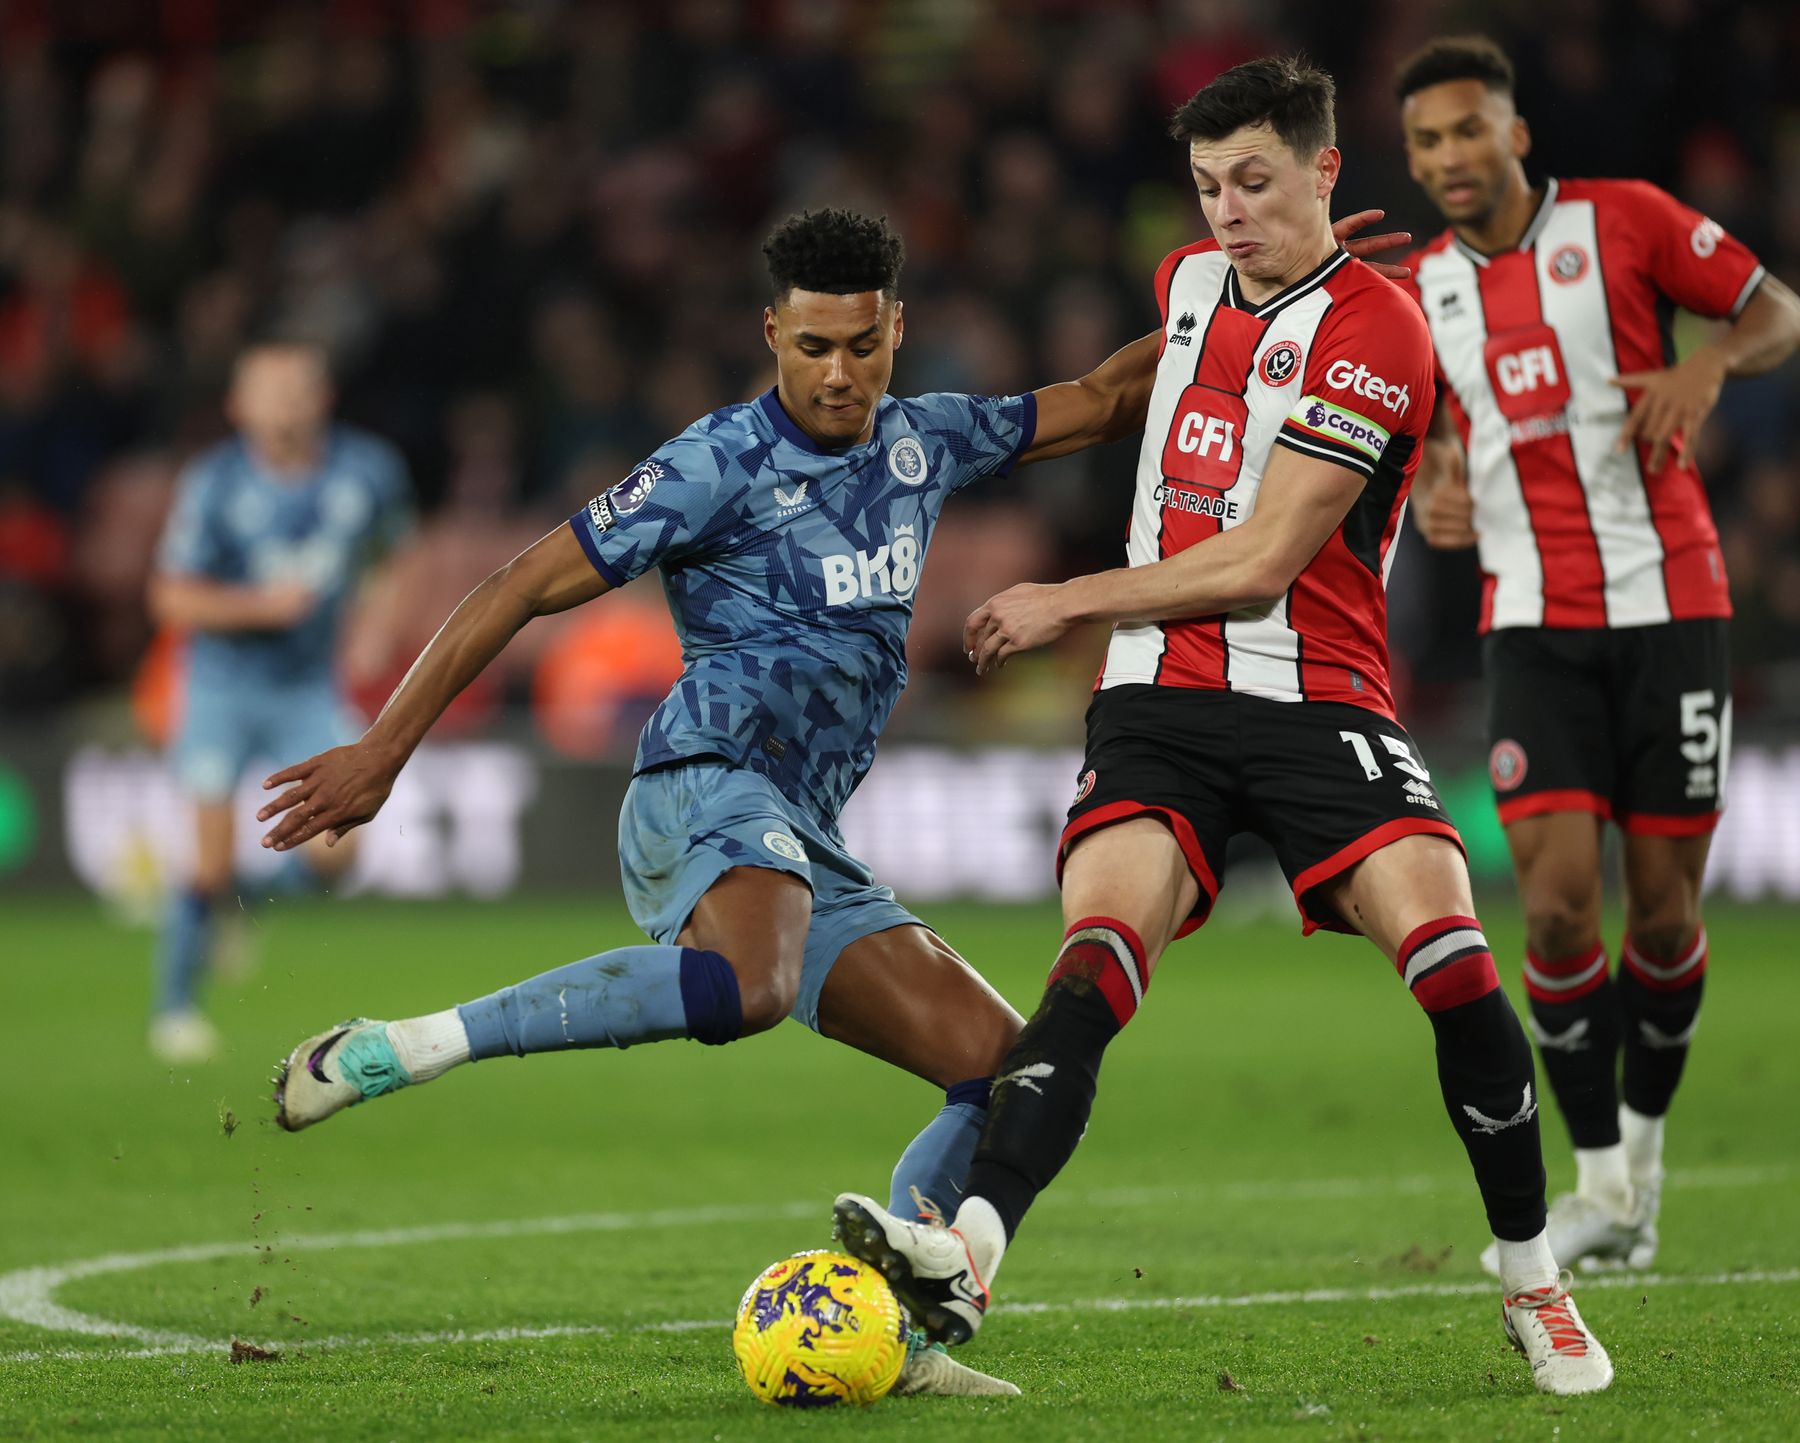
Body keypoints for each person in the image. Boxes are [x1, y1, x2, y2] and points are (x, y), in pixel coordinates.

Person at [254, 206, 1401, 1399]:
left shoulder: (928, 441)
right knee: (750, 987)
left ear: (897, 330)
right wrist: (386, 748)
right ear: (772, 333)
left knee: (1007, 1075)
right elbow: (517, 582)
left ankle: (901, 1327)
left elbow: (1108, 394)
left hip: (802, 831)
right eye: (812, 348)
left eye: (862, 345)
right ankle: (401, 1049)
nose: (838, 373)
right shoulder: (714, 464)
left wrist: (1277, 289)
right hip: (703, 781)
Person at [831, 56, 1613, 1397]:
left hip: (1320, 698)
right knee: (1090, 966)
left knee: (1456, 966)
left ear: (1325, 170)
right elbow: (1138, 380)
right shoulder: (1188, 285)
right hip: (1159, 702)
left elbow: (1262, 559)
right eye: (1206, 186)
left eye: (1256, 180)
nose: (1226, 212)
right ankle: (970, 1246)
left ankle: (1532, 1275)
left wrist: (1061, 594)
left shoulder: (1379, 333)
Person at [1391, 35, 1800, 1275]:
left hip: (1672, 605)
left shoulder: (1625, 223)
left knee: (1664, 910)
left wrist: (1707, 359)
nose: (1451, 156)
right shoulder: (1420, 288)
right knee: (1561, 905)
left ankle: (1646, 1157)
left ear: (1515, 134)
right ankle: (1604, 1187)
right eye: (1426, 141)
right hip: (1532, 625)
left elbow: (1777, 310)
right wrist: (1440, 485)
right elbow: (1434, 428)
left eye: (1469, 130)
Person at [147, 342, 414, 1063]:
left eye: (298, 387)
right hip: (219, 686)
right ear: (238, 406)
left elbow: (391, 555)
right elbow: (169, 594)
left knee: (343, 851)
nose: (286, 402)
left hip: (306, 686)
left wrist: (376, 623)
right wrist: (261, 608)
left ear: (323, 396)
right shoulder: (214, 482)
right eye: (270, 390)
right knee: (204, 862)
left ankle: (249, 902)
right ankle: (174, 1010)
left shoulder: (368, 470)